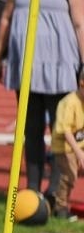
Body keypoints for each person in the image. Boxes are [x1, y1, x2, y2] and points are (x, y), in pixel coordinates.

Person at [0, 0, 84, 198]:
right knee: (30, 128)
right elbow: (6, 18)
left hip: (59, 63)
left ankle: (57, 192)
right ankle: (32, 190)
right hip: (27, 64)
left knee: (60, 129)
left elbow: (80, 22)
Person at [51, 73, 84, 219]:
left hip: (79, 144)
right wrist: (80, 154)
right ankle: (61, 207)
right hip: (65, 146)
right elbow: (66, 132)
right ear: (81, 84)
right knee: (69, 175)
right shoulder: (69, 102)